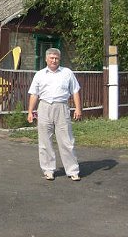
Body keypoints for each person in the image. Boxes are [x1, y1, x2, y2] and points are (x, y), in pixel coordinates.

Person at [27, 48, 82, 181]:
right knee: (45, 140)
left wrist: (78, 109)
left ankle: (72, 170)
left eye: (56, 58)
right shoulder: (40, 75)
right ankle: (48, 170)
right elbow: (34, 94)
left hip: (62, 107)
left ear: (59, 59)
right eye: (51, 58)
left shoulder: (67, 73)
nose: (54, 60)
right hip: (44, 107)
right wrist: (30, 111)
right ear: (46, 59)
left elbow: (75, 91)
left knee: (67, 140)